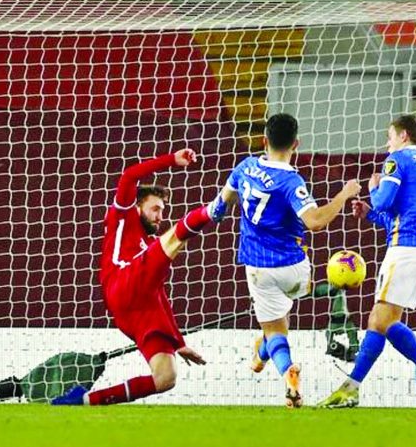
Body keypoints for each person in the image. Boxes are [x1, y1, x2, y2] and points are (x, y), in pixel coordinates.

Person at [210, 113, 360, 407]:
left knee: (276, 330)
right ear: (296, 144)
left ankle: (286, 369)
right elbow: (315, 221)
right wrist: (344, 194)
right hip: (295, 270)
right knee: (286, 308)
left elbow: (218, 209)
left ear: (263, 140)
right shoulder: (291, 181)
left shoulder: (245, 167)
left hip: (257, 268)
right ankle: (262, 351)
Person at [52, 149, 215, 405]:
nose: (160, 216)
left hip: (136, 310)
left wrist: (178, 341)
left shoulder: (148, 245)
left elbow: (158, 295)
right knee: (172, 239)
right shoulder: (123, 216)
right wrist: (171, 160)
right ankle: (214, 208)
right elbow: (129, 176)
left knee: (166, 377)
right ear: (138, 206)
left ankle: (82, 401)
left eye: (162, 211)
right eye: (155, 209)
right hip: (121, 281)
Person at [318, 115, 416, 409]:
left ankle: (358, 387)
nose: (387, 143)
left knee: (380, 320)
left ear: (403, 136)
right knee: (383, 322)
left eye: (390, 136)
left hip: (405, 249)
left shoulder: (396, 160)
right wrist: (370, 213)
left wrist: (373, 187)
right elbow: (398, 213)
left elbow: (384, 200)